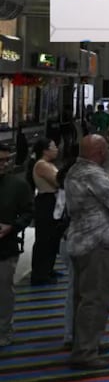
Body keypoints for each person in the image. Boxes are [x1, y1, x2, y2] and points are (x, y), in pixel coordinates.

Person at [64, 135, 109, 369]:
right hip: (97, 242)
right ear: (100, 152)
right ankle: (85, 351)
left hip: (78, 239)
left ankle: (84, 341)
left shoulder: (74, 170)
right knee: (96, 297)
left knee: (82, 296)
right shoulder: (93, 174)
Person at [0, 143, 32, 348]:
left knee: (3, 291)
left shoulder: (18, 186)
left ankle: (4, 330)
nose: (3, 165)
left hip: (5, 248)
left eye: (6, 160)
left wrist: (12, 227)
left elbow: (29, 212)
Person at [29, 138, 62, 286]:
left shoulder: (49, 164)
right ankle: (39, 273)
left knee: (52, 238)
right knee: (44, 239)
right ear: (45, 150)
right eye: (54, 146)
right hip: (46, 202)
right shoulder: (41, 165)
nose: (57, 149)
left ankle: (48, 268)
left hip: (53, 201)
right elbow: (58, 181)